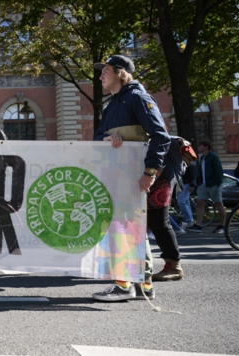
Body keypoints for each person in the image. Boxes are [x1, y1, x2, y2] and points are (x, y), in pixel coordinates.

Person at [90, 55, 181, 301]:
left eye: (105, 71)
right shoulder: (112, 105)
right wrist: (105, 140)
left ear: (121, 73)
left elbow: (161, 137)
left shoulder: (138, 99)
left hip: (132, 177)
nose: (100, 77)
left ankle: (124, 285)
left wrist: (149, 173)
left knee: (125, 229)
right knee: (129, 229)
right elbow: (96, 138)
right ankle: (142, 285)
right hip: (116, 176)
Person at [187, 140, 226, 234]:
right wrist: (199, 182)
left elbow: (219, 170)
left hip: (213, 184)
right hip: (203, 184)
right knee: (200, 203)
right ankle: (198, 225)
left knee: (218, 204)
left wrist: (218, 183)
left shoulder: (213, 156)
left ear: (206, 147)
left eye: (200, 146)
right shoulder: (203, 158)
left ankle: (222, 225)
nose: (199, 147)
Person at [177, 161, 197, 230]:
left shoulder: (190, 161)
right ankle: (189, 221)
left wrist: (192, 184)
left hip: (186, 184)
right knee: (185, 202)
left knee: (181, 201)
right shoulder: (180, 159)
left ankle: (189, 220)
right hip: (181, 184)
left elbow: (194, 174)